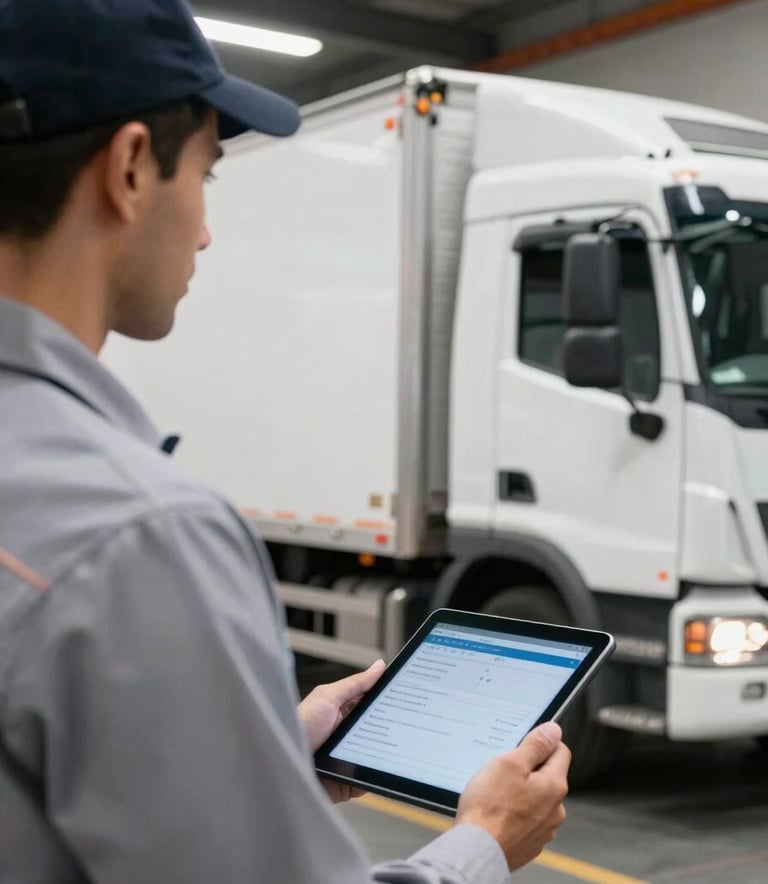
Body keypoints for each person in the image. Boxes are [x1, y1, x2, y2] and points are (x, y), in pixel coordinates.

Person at [0, 2, 571, 882]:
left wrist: (255, 755)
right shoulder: (138, 536)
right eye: (207, 177)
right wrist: (486, 844)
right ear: (129, 166)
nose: (204, 228)